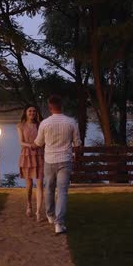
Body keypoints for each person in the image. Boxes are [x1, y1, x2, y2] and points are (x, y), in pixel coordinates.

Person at [33, 95, 81, 234]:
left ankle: (50, 215)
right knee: (62, 192)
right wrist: (75, 156)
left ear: (49, 107)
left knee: (49, 188)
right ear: (62, 106)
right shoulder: (71, 122)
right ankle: (59, 223)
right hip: (65, 160)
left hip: (49, 160)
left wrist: (31, 145)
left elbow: (38, 143)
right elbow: (77, 144)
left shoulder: (45, 123)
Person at [16, 105, 45, 221]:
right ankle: (29, 205)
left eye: (34, 111)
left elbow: (44, 139)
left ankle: (38, 212)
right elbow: (21, 141)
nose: (32, 113)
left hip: (40, 155)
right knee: (28, 184)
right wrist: (32, 145)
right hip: (27, 155)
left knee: (40, 183)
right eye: (30, 111)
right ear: (26, 112)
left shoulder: (41, 125)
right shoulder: (20, 125)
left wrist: (39, 145)